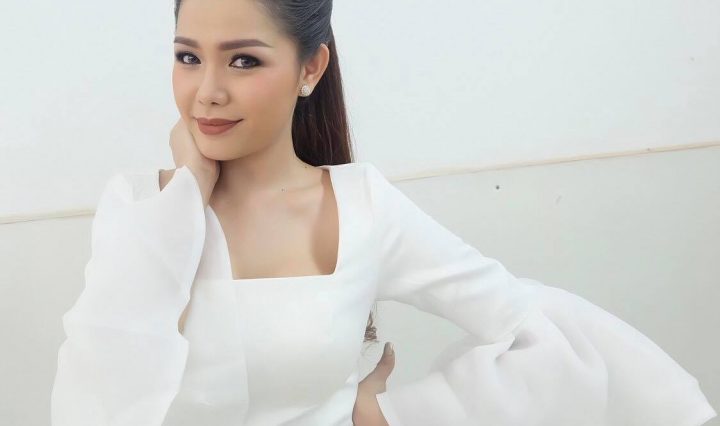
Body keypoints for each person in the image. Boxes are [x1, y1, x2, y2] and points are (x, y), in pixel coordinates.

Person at [50, 0, 718, 425]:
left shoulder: (363, 209)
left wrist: (399, 415)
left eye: (244, 60)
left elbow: (535, 323)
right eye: (188, 57)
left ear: (310, 68)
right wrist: (187, 191)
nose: (207, 91)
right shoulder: (140, 209)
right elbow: (95, 396)